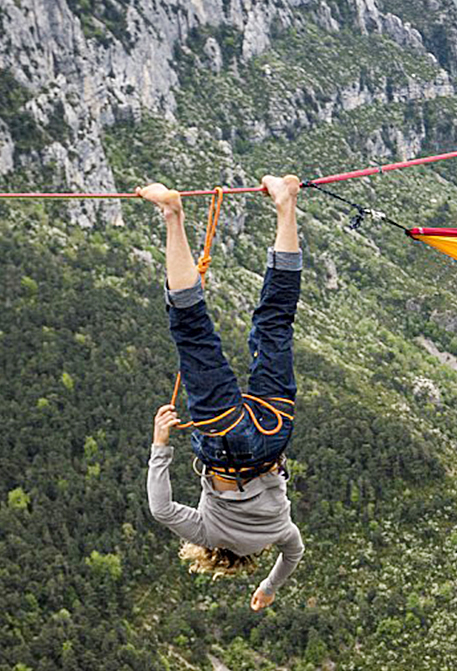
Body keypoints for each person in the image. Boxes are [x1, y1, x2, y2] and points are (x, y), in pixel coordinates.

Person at [139, 174, 305, 612]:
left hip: (273, 435)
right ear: (213, 556)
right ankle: (173, 216)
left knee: (276, 323)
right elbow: (161, 509)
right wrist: (160, 445)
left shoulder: (280, 532)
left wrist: (269, 588)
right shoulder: (208, 535)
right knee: (193, 334)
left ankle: (285, 204)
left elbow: (294, 556)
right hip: (224, 446)